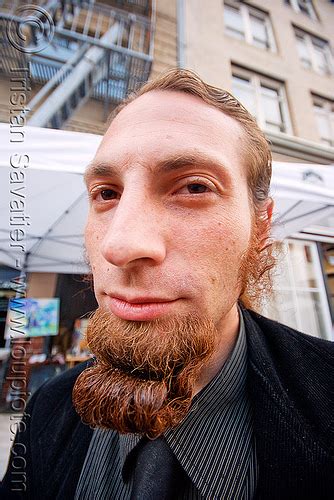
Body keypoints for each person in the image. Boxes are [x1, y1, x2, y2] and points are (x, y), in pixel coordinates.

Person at [1, 69, 333, 499]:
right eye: (106, 193)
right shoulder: (47, 409)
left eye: (194, 186)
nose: (119, 246)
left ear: (260, 227)